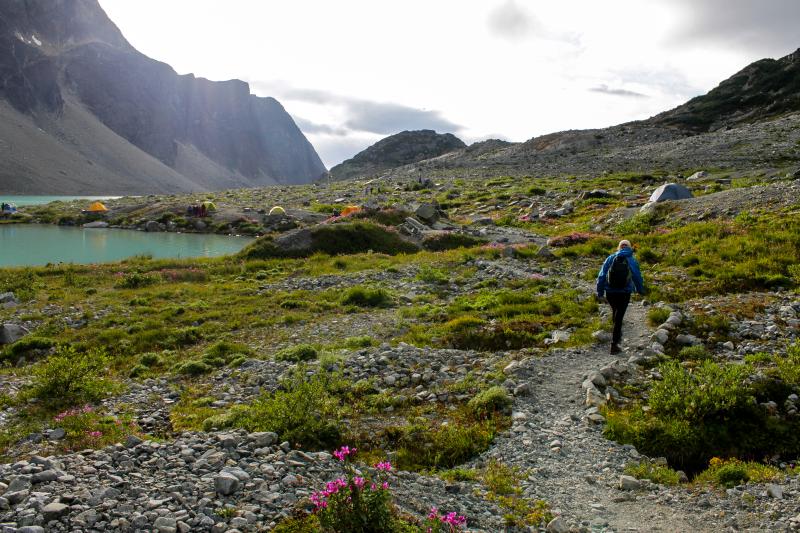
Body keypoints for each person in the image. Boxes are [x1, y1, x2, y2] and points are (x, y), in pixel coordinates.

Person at [596, 239, 644, 354]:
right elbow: (637, 276)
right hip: (624, 292)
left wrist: (600, 292)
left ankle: (616, 335)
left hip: (610, 292)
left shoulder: (611, 258)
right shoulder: (631, 260)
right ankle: (614, 344)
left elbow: (601, 275)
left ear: (619, 247)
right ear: (629, 247)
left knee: (615, 312)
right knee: (619, 317)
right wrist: (640, 289)